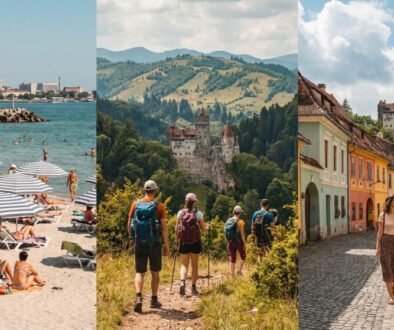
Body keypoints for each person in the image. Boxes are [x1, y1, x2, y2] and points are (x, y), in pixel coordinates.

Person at [127, 180, 170, 313]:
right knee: (155, 272)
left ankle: (139, 297)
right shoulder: (160, 206)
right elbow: (164, 228)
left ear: (144, 190)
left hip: (139, 241)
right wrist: (167, 245)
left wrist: (131, 238)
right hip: (154, 243)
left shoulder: (136, 204)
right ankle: (154, 299)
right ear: (155, 191)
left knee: (140, 272)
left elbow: (129, 222)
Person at [175, 193, 210, 296]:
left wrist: (177, 240)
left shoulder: (180, 213)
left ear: (186, 201)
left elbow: (177, 228)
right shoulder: (198, 214)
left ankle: (182, 282)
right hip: (195, 242)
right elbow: (203, 230)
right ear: (194, 202)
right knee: (194, 265)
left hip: (183, 241)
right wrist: (208, 229)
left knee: (184, 264)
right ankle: (193, 288)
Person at [376, 195, 394, 305]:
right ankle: (391, 297)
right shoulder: (382, 216)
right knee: (387, 269)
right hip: (386, 243)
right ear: (390, 203)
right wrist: (377, 247)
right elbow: (379, 233)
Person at [224, 205, 246, 276]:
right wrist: (244, 243)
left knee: (232, 258)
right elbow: (242, 234)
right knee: (243, 256)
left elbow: (225, 230)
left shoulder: (229, 220)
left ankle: (232, 274)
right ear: (240, 213)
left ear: (234, 212)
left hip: (230, 242)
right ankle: (239, 271)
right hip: (239, 242)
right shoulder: (241, 222)